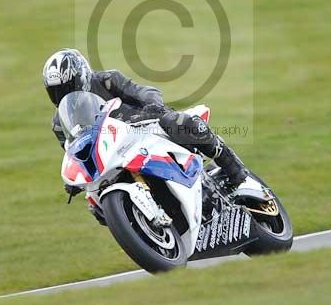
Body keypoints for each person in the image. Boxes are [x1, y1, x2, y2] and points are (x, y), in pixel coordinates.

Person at [42, 48, 250, 196]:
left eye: (68, 86)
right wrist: (74, 179)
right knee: (95, 204)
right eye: (56, 91)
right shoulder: (60, 124)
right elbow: (76, 153)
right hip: (110, 152)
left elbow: (144, 91)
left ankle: (238, 174)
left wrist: (151, 105)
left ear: (82, 76)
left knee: (186, 123)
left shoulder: (107, 80)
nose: (63, 94)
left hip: (143, 126)